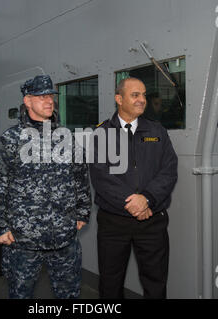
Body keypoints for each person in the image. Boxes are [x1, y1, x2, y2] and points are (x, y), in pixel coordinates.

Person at [0, 75, 91, 299]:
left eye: (51, 96)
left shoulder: (67, 138)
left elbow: (80, 178)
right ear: (27, 101)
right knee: (20, 294)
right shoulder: (11, 140)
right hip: (23, 240)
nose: (49, 101)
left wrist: (82, 212)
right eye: (42, 96)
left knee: (69, 295)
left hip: (64, 238)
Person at [89, 77, 178, 299]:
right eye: (135, 95)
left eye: (144, 95)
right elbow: (101, 176)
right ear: (119, 99)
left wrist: (146, 198)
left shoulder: (157, 131)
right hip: (114, 222)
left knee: (156, 282)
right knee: (110, 283)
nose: (142, 100)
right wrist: (134, 202)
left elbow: (169, 170)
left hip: (152, 220)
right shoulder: (102, 133)